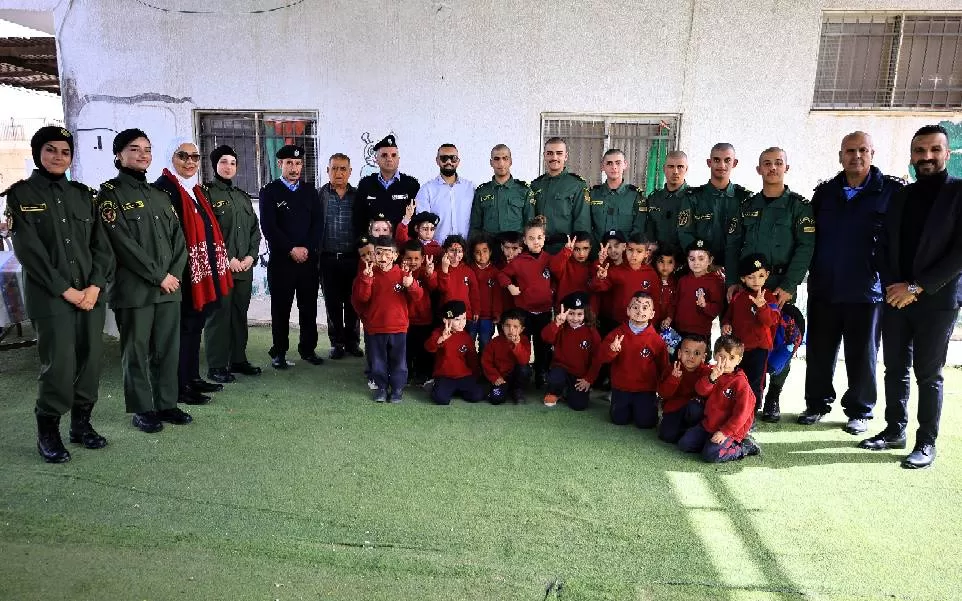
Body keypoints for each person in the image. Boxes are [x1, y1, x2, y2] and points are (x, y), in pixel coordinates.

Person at [5, 126, 113, 462]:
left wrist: (94, 286)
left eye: (65, 152)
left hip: (90, 296)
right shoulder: (21, 195)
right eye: (50, 150)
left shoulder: (84, 195)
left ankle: (81, 425)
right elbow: (30, 251)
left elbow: (102, 246)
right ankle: (48, 430)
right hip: (51, 297)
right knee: (60, 364)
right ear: (38, 153)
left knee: (91, 361)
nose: (58, 157)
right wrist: (66, 290)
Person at [860, 125, 962, 469]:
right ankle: (894, 430)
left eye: (934, 150)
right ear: (912, 155)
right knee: (894, 369)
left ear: (947, 153)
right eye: (920, 151)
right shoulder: (901, 195)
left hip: (936, 300)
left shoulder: (958, 193)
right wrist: (894, 286)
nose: (926, 157)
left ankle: (926, 442)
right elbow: (884, 245)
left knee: (928, 374)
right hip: (895, 298)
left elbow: (958, 254)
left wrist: (916, 288)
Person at [800, 132, 903, 435]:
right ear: (840, 155)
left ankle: (860, 410)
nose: (856, 156)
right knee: (819, 351)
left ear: (872, 154)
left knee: (862, 354)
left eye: (862, 150)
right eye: (849, 151)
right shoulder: (825, 192)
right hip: (825, 287)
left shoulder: (891, 192)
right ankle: (816, 404)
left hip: (865, 290)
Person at [98, 128, 191, 433]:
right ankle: (142, 408)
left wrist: (173, 274)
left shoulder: (159, 195)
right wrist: (159, 275)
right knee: (136, 351)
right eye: (134, 149)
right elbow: (122, 244)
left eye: (147, 149)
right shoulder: (110, 195)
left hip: (169, 288)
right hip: (135, 290)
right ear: (119, 155)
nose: (142, 154)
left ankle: (166, 403)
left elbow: (179, 240)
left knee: (167, 348)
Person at [727, 147, 815, 421]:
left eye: (778, 163)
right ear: (759, 169)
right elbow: (733, 245)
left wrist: (789, 285)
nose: (772, 168)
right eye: (767, 163)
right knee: (747, 341)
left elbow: (805, 247)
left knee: (779, 343)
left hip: (779, 286)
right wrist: (733, 281)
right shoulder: (747, 206)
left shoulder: (799, 207)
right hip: (748, 286)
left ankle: (774, 396)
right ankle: (743, 395)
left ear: (786, 168)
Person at [154, 138, 233, 404]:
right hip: (182, 274)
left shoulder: (194, 190)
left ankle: (192, 377)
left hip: (199, 271)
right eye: (183, 156)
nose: (189, 162)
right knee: (183, 330)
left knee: (194, 326)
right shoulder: (165, 189)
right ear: (171, 158)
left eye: (194, 157)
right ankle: (180, 386)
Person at [258, 144, 325, 369]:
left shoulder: (310, 191)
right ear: (280, 164)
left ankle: (308, 349)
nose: (294, 168)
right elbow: (269, 227)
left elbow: (318, 224)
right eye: (289, 163)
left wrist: (306, 248)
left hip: (307, 261)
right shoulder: (270, 192)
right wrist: (291, 249)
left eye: (298, 163)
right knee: (281, 309)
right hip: (281, 262)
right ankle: (279, 352)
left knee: (308, 307)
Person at [203, 145, 262, 380]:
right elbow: (205, 233)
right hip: (220, 269)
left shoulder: (242, 197)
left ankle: (238, 359)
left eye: (233, 163)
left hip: (244, 270)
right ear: (215, 165)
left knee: (239, 315)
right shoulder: (206, 195)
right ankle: (217, 365)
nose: (229, 167)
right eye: (224, 162)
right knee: (219, 316)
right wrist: (227, 259)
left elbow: (254, 231)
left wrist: (250, 257)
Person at [351, 235, 423, 402]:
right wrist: (366, 280)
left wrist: (411, 284)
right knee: (377, 362)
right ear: (373, 254)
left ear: (395, 255)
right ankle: (381, 388)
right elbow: (361, 298)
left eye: (387, 253)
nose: (383, 257)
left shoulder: (403, 274)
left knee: (399, 362)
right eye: (378, 253)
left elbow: (418, 296)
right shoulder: (367, 274)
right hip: (375, 328)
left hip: (398, 328)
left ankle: (397, 389)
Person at [587, 292, 669, 427]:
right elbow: (602, 357)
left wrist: (662, 391)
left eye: (645, 307)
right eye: (635, 307)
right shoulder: (616, 334)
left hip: (645, 389)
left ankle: (645, 407)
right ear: (628, 311)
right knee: (619, 419)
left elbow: (663, 367)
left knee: (646, 423)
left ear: (652, 314)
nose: (640, 311)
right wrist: (612, 350)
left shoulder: (657, 341)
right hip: (622, 387)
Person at [677, 335, 760, 462]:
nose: (726, 362)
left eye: (731, 358)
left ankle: (744, 447)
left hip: (730, 430)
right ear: (715, 356)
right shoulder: (712, 372)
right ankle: (709, 442)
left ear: (739, 360)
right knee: (684, 444)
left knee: (710, 455)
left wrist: (725, 432)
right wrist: (712, 378)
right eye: (721, 356)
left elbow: (741, 414)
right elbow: (700, 390)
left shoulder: (741, 383)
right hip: (710, 424)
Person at [497, 217, 554, 387]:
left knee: (543, 344)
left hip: (544, 311)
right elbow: (502, 275)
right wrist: (510, 287)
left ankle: (541, 374)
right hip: (524, 311)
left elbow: (558, 276)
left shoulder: (549, 259)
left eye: (539, 238)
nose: (536, 241)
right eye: (531, 238)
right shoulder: (519, 261)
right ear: (525, 240)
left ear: (544, 238)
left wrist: (553, 290)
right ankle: (521, 375)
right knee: (522, 343)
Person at [677, 143, 751, 273]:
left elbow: (750, 238)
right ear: (709, 162)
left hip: (736, 271)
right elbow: (685, 234)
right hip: (701, 271)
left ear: (734, 163)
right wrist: (705, 263)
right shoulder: (693, 198)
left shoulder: (745, 198)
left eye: (727, 160)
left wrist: (733, 266)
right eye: (717, 160)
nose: (722, 165)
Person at [722, 254, 780, 419]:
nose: (756, 280)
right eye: (751, 277)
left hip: (759, 349)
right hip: (738, 349)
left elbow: (771, 321)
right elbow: (728, 316)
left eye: (760, 276)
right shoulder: (738, 297)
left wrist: (762, 307)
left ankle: (750, 415)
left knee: (755, 382)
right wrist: (726, 324)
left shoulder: (769, 297)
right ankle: (735, 411)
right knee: (736, 379)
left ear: (767, 275)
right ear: (743, 278)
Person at [318, 153, 362, 360]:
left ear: (350, 172)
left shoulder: (358, 196)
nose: (338, 173)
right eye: (334, 168)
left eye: (343, 169)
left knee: (354, 303)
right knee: (332, 304)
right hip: (327, 259)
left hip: (353, 259)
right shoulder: (319, 195)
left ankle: (353, 342)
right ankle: (337, 343)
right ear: (328, 171)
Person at [540, 292, 601, 410]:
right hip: (560, 369)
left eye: (579, 314)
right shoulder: (561, 327)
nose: (575, 318)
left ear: (585, 314)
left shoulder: (591, 332)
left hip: (579, 374)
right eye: (571, 313)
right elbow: (545, 337)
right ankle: (554, 392)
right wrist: (557, 323)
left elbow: (597, 358)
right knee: (555, 378)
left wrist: (589, 379)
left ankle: (567, 391)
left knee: (579, 405)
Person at [532, 137, 591, 253]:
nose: (554, 157)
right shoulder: (536, 185)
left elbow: (582, 222)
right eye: (550, 153)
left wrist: (577, 251)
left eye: (559, 153)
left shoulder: (577, 184)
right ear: (544, 156)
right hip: (539, 249)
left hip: (564, 249)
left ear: (566, 156)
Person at [353, 135, 419, 237]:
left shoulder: (411, 184)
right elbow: (358, 219)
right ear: (376, 159)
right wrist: (364, 243)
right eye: (384, 155)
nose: (389, 159)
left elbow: (415, 220)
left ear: (398, 159)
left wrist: (409, 244)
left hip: (401, 244)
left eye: (393, 155)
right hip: (373, 245)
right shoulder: (365, 184)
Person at [425, 300, 485, 405]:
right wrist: (442, 338)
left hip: (463, 376)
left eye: (464, 318)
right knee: (441, 399)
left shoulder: (466, 337)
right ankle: (436, 385)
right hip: (445, 376)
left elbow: (472, 359)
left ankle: (454, 390)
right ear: (446, 320)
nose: (462, 323)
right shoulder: (438, 333)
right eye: (457, 319)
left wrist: (476, 375)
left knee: (477, 395)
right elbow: (428, 347)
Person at [469, 144, 534, 238]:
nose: (501, 163)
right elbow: (475, 227)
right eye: (496, 159)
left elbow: (530, 225)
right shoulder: (482, 191)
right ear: (491, 162)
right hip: (490, 245)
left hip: (515, 245)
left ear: (510, 161)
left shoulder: (524, 191)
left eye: (505, 158)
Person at [657, 334, 711, 443]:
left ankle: (693, 432)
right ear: (679, 353)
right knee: (666, 436)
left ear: (703, 357)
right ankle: (685, 433)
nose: (691, 356)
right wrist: (673, 379)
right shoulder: (672, 368)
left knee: (695, 408)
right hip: (674, 408)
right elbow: (663, 393)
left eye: (697, 353)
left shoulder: (707, 372)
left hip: (694, 410)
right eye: (687, 351)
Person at [588, 149, 647, 249]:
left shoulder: (636, 196)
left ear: (625, 165)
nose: (614, 167)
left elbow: (639, 228)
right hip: (597, 251)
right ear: (602, 166)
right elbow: (587, 226)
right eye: (609, 163)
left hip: (625, 254)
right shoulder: (593, 194)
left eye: (618, 163)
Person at [415, 143, 474, 242]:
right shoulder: (426, 190)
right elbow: (422, 225)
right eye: (444, 158)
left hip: (466, 248)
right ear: (437, 161)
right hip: (437, 249)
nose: (448, 162)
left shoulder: (470, 188)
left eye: (453, 158)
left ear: (458, 161)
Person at [400, 239, 436, 386]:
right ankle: (407, 374)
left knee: (423, 349)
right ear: (402, 258)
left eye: (416, 258)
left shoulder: (425, 272)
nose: (413, 262)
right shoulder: (399, 272)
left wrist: (430, 274)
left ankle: (422, 374)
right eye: (409, 258)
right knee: (407, 349)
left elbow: (434, 286)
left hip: (424, 319)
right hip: (405, 320)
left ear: (422, 258)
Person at [672, 240, 724, 342]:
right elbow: (674, 303)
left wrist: (705, 305)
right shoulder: (683, 280)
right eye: (692, 259)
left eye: (701, 259)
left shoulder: (715, 282)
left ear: (710, 260)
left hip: (700, 332)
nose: (696, 263)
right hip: (679, 330)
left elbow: (717, 308)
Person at [481, 309, 531, 404]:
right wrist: (495, 377)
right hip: (500, 378)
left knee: (525, 369)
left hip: (516, 376)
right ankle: (501, 390)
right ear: (502, 327)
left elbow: (524, 361)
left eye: (515, 327)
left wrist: (517, 345)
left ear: (521, 329)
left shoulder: (524, 341)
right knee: (496, 399)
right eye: (507, 326)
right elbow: (486, 362)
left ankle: (518, 390)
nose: (511, 330)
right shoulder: (494, 342)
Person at [645, 150, 689, 252]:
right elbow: (649, 231)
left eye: (680, 167)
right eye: (671, 166)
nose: (675, 171)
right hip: (658, 256)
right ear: (664, 169)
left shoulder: (694, 198)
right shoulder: (654, 199)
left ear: (686, 169)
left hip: (684, 256)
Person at [467, 233, 500, 355]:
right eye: (478, 252)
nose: (482, 255)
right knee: (469, 341)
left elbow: (497, 296)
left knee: (485, 343)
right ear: (473, 254)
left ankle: (483, 365)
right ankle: (470, 364)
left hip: (488, 316)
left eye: (485, 251)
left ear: (490, 252)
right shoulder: (469, 270)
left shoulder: (495, 272)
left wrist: (497, 313)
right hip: (471, 315)